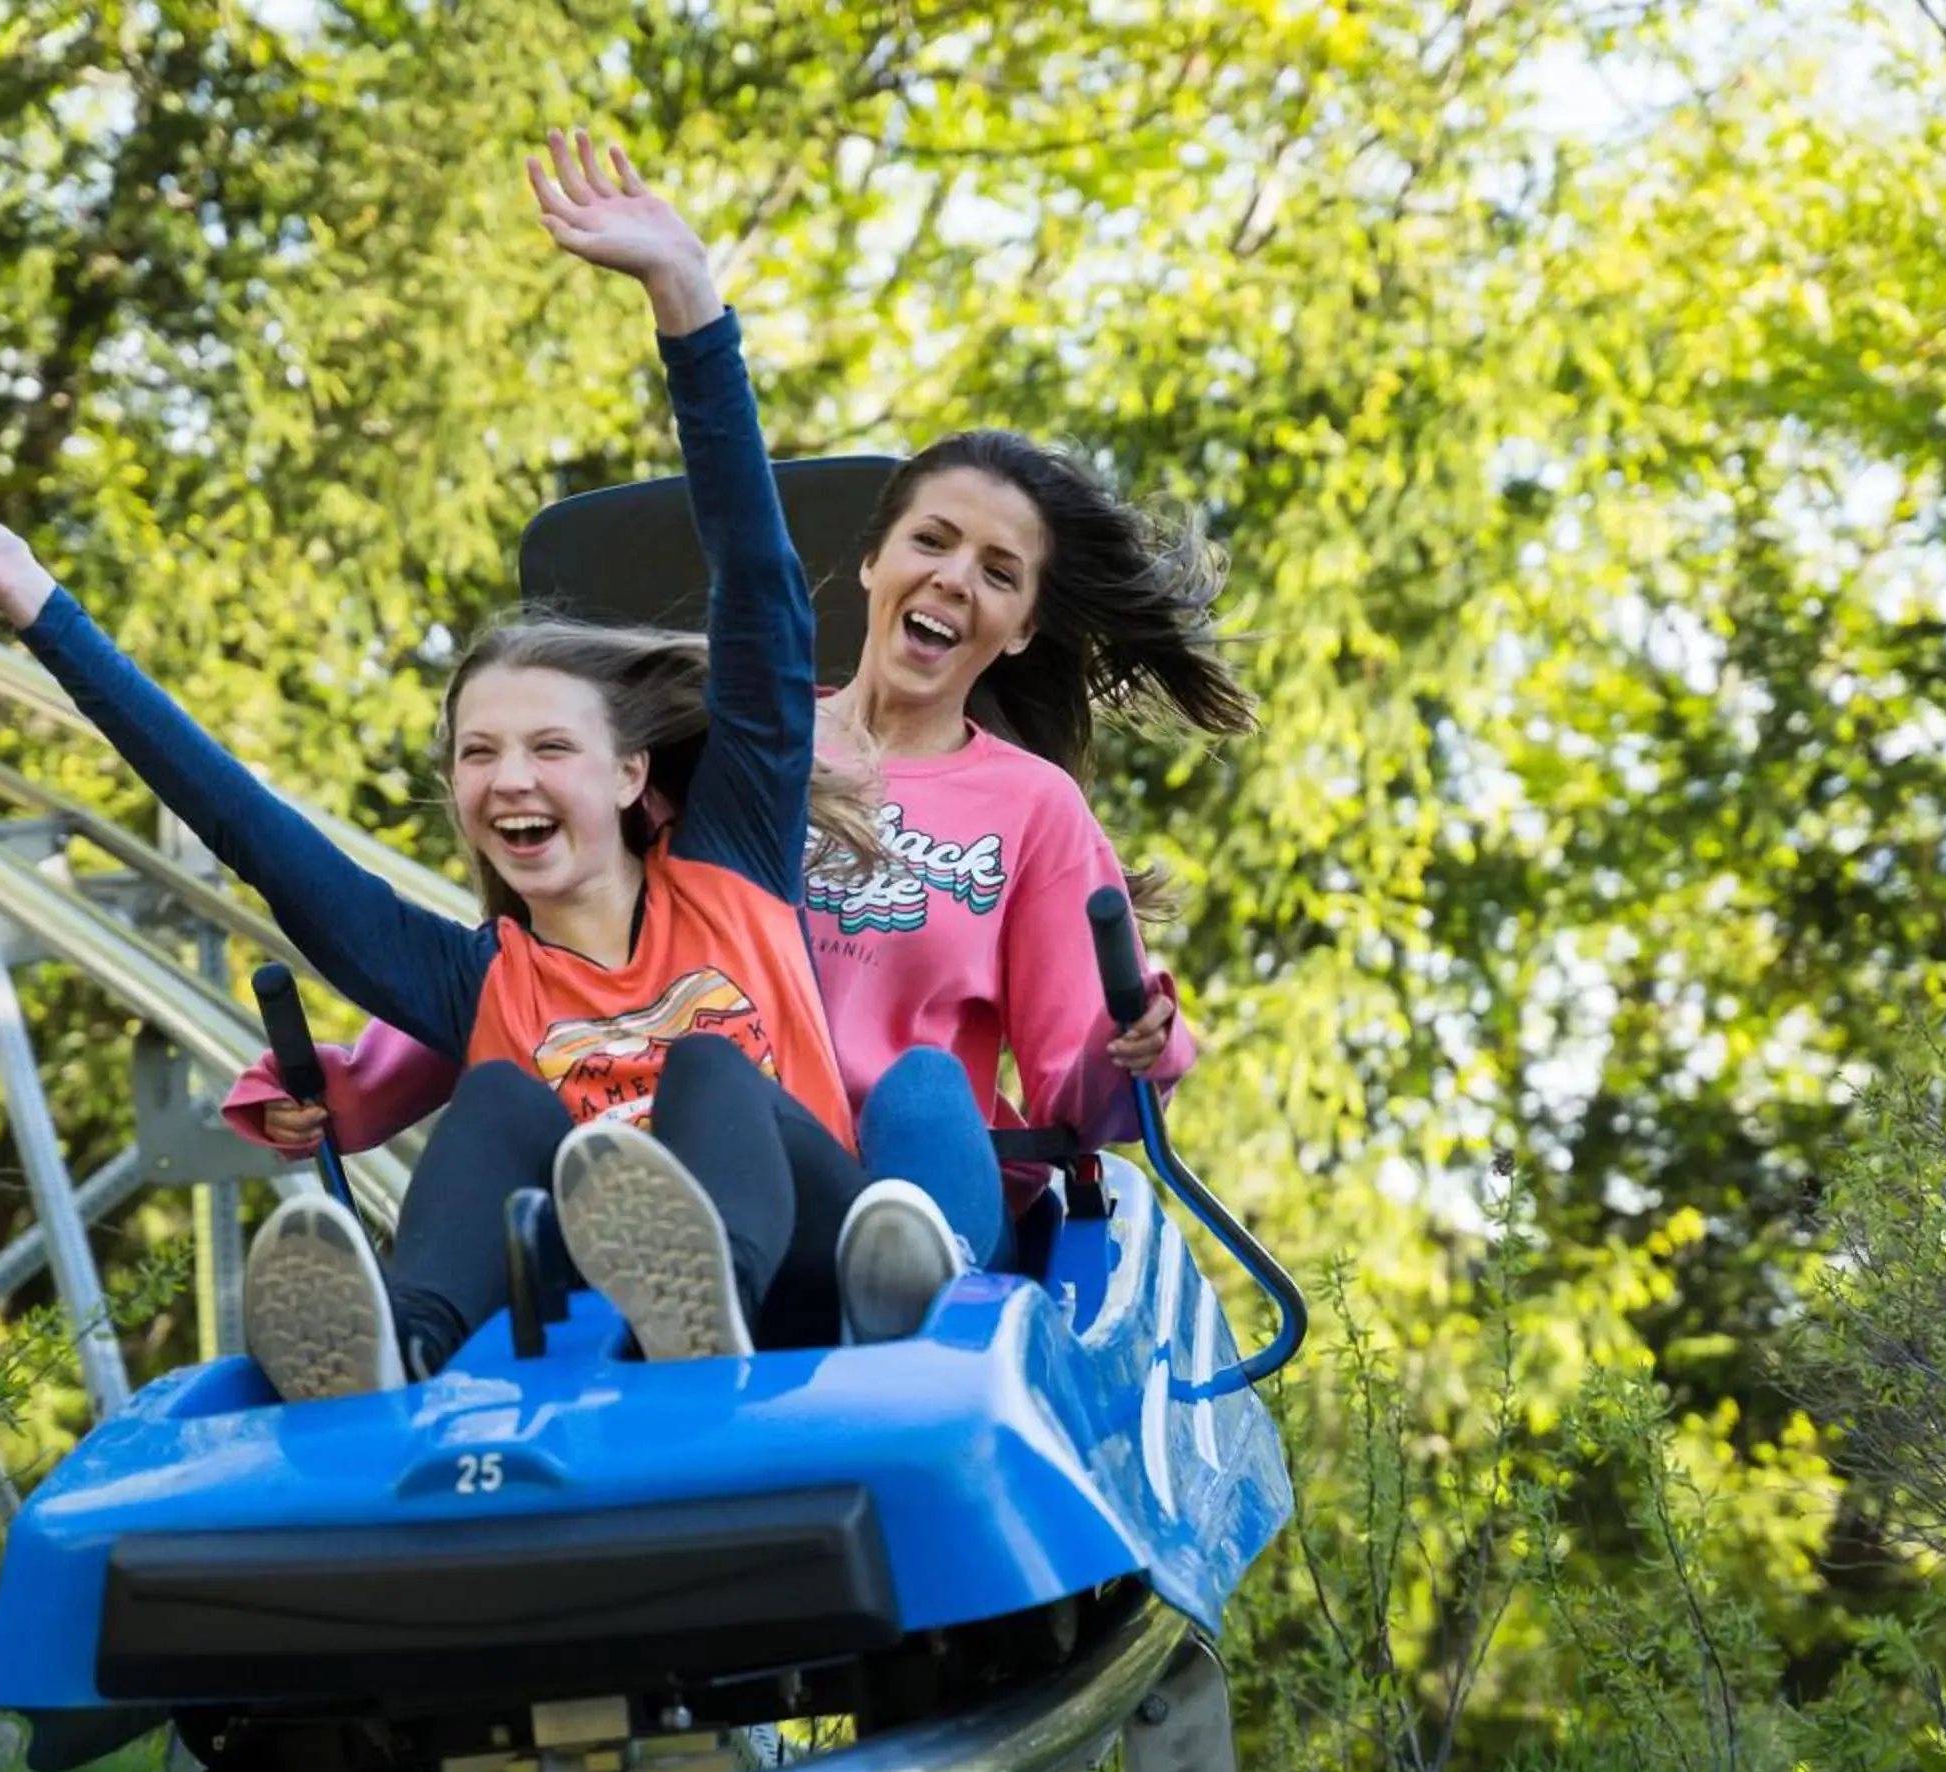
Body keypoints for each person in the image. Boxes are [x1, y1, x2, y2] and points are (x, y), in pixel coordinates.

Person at [0, 133, 966, 1398]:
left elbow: (763, 604)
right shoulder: (475, 980)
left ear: (625, 776)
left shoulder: (731, 869)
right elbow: (245, 822)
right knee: (501, 1104)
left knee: (709, 1069)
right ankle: (395, 1348)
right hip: (596, 1307)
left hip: (800, 1288)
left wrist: (688, 303)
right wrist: (42, 610)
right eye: (477, 753)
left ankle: (705, 1290)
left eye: (549, 746)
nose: (508, 777)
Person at [233, 364, 1261, 1343]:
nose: (954, 579)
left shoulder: (1034, 809)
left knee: (921, 1086)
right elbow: (560, 959)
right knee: (691, 1066)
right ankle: (659, 1304)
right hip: (705, 1163)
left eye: (997, 572)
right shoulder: (733, 757)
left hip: (913, 1195)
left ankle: (910, 1312)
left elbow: (1080, 1091)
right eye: (932, 541)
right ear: (872, 560)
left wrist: (1143, 1043)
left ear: (1024, 624)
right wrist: (357, 1084)